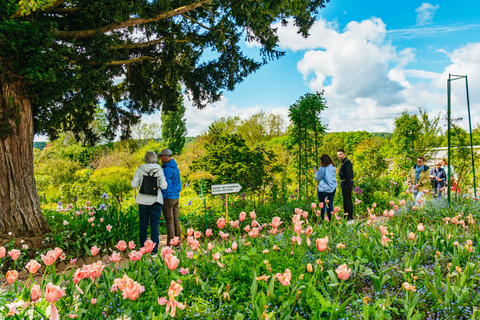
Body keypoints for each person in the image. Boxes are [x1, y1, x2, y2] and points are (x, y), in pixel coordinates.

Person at [131, 151, 167, 255]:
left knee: (143, 226)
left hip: (143, 201)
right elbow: (164, 186)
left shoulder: (140, 169)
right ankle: (154, 251)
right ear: (155, 158)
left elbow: (134, 185)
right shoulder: (159, 170)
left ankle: (143, 249)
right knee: (154, 226)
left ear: (145, 158)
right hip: (156, 200)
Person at [158, 149, 182, 248]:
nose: (160, 158)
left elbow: (166, 186)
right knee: (175, 219)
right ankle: (178, 243)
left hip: (169, 197)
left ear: (165, 156)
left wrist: (163, 197)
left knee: (169, 221)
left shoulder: (167, 169)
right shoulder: (175, 168)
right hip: (176, 197)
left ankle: (170, 243)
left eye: (160, 156)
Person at [314, 154, 337, 221]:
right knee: (330, 205)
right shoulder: (332, 167)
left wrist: (316, 173)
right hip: (332, 188)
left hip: (323, 190)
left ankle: (322, 220)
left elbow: (318, 178)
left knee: (322, 206)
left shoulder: (322, 168)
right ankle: (330, 220)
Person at [337, 149, 354, 220]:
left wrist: (346, 183)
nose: (339, 156)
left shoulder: (347, 162)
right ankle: (348, 214)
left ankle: (348, 215)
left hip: (346, 182)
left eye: (340, 154)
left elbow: (348, 173)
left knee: (347, 199)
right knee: (347, 199)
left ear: (344, 154)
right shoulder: (343, 162)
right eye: (338, 155)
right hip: (345, 182)